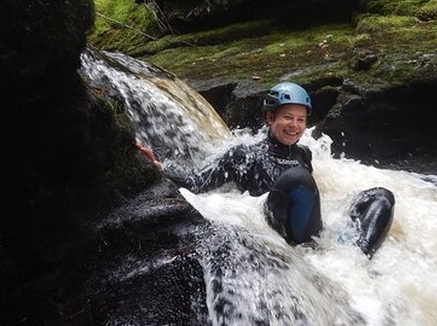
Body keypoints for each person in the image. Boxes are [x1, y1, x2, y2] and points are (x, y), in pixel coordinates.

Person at [140, 82, 395, 258]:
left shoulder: (303, 154)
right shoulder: (242, 154)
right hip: (275, 231)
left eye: (301, 119)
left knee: (381, 196)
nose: (294, 125)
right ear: (270, 118)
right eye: (287, 117)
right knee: (297, 178)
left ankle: (357, 259)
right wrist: (159, 168)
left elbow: (309, 201)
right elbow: (195, 183)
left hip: (314, 233)